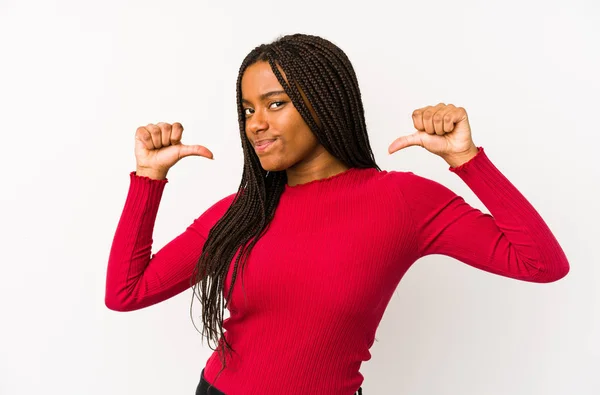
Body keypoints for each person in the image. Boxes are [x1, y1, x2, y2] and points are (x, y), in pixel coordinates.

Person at [105, 33, 570, 395]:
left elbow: (542, 263)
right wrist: (148, 179)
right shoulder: (240, 212)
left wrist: (468, 161)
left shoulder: (402, 202)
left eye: (275, 103)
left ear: (324, 102)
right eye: (247, 109)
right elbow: (126, 293)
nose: (255, 124)